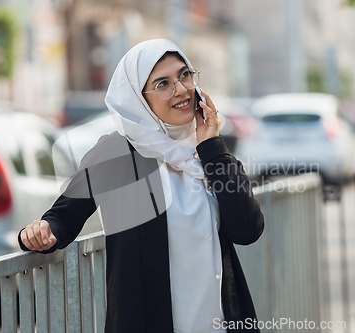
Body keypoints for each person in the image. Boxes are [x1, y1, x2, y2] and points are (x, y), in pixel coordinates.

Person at [18, 39, 264, 333]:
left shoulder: (208, 154)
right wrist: (39, 233)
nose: (181, 90)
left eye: (184, 75)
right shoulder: (118, 154)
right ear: (139, 97)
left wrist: (211, 144)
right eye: (163, 84)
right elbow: (64, 217)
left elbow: (248, 229)